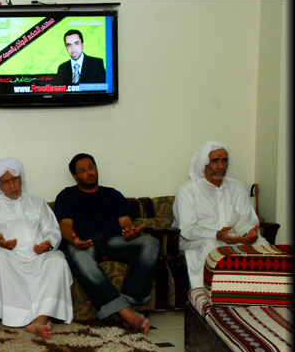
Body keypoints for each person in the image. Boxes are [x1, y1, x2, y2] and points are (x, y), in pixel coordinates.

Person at [54, 153, 159, 335]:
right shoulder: (67, 195)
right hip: (85, 242)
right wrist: (74, 239)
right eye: (83, 170)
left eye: (91, 167)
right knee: (76, 254)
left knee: (150, 243)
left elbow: (125, 222)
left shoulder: (112, 194)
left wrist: (131, 231)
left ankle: (128, 302)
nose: (89, 173)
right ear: (75, 176)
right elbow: (65, 225)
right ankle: (127, 313)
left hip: (113, 241)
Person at [0, 157, 73, 339]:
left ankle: (39, 320)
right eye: (6, 181)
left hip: (38, 255)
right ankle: (34, 318)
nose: (12, 185)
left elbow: (52, 230)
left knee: (58, 261)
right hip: (9, 256)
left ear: (21, 178)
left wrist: (48, 244)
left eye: (15, 179)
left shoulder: (37, 202)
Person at [173, 141, 268, 289]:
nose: (221, 166)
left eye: (224, 160)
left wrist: (248, 234)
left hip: (233, 238)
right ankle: (215, 293)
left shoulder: (236, 187)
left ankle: (261, 292)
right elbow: (187, 229)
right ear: (203, 164)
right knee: (212, 247)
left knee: (262, 245)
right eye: (215, 160)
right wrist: (217, 235)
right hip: (197, 240)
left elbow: (244, 221)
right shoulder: (187, 191)